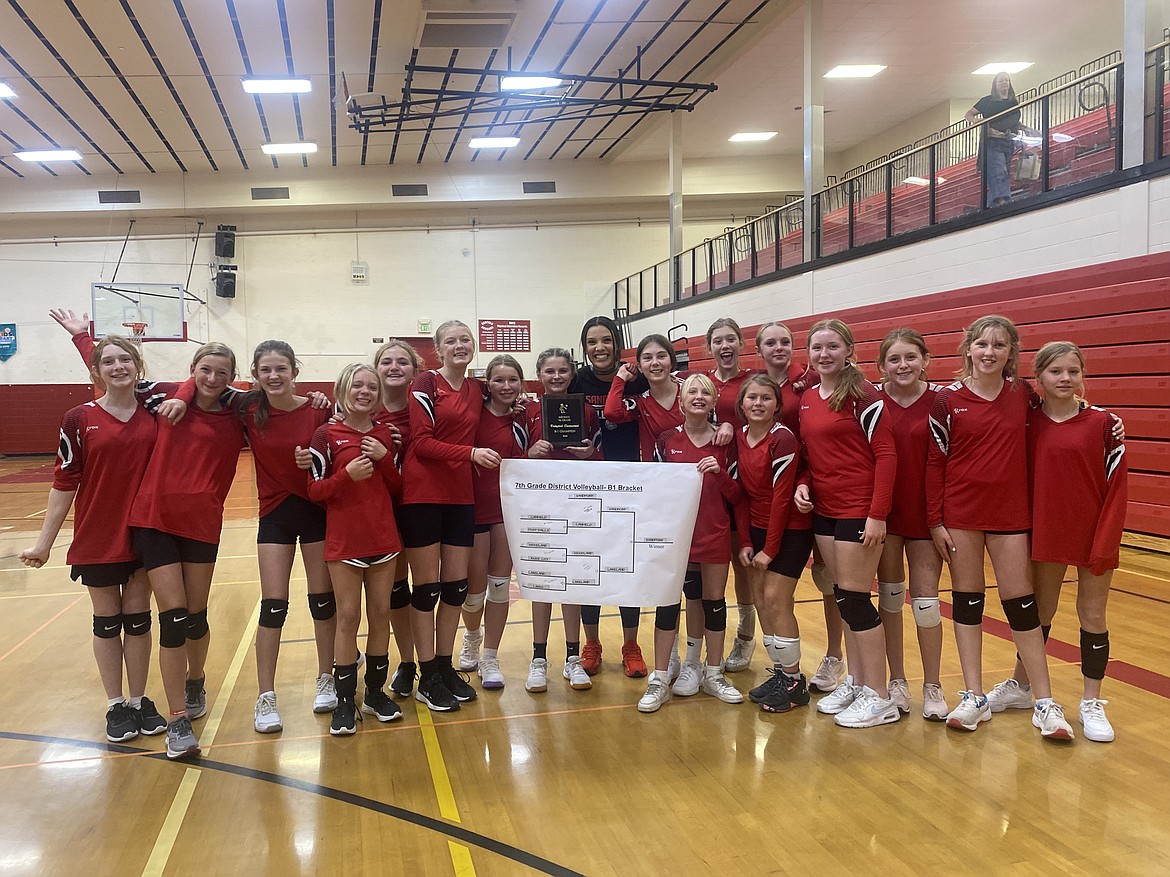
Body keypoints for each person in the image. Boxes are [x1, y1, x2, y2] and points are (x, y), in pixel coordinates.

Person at [55, 310, 246, 758]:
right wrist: (83, 337)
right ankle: (177, 719)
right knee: (173, 619)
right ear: (191, 371)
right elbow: (115, 370)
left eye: (222, 372)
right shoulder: (160, 401)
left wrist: (317, 404)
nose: (212, 378)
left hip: (202, 525)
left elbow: (282, 407)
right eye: (204, 370)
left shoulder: (240, 411)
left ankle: (194, 680)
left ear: (233, 378)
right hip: (154, 523)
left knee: (196, 617)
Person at [926, 315, 1074, 739]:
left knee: (1021, 604)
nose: (989, 351)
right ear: (968, 349)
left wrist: (1101, 417)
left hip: (1010, 516)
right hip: (960, 515)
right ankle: (973, 695)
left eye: (999, 345)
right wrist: (935, 520)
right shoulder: (946, 400)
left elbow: (1060, 417)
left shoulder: (1022, 395)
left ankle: (1043, 700)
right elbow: (935, 463)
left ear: (1011, 353)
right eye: (982, 344)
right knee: (968, 601)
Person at [20, 334, 167, 744]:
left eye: (126, 360)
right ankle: (115, 704)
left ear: (138, 366)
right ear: (95, 371)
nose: (118, 367)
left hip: (144, 533)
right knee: (107, 622)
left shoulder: (155, 412)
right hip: (97, 534)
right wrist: (44, 543)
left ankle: (139, 700)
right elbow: (64, 481)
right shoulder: (78, 418)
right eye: (109, 362)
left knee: (138, 620)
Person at [991, 341, 1127, 742]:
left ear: (1083, 375)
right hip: (1047, 532)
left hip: (1093, 534)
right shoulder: (1028, 422)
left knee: (1093, 615)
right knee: (1040, 614)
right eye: (1056, 372)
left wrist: (1106, 540)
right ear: (1040, 378)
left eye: (1073, 371)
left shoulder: (1104, 424)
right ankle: (1021, 685)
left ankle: (1091, 701)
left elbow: (1117, 488)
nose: (1065, 378)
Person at [795, 319, 900, 729]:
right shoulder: (807, 398)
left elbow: (887, 455)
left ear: (849, 350)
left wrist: (877, 513)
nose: (824, 354)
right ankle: (857, 682)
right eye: (817, 348)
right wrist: (804, 484)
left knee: (856, 600)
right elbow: (809, 454)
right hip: (825, 510)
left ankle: (879, 695)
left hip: (859, 509)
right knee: (843, 597)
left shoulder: (863, 396)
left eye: (833, 347)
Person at [401, 320, 497, 711]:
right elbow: (422, 443)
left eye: (465, 339)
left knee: (456, 587)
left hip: (461, 495)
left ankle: (444, 666)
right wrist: (470, 454)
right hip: (423, 494)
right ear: (437, 350)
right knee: (427, 589)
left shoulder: (476, 388)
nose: (460, 345)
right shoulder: (425, 384)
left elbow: (505, 400)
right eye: (451, 341)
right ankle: (426, 675)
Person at [240, 341, 335, 734]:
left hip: (315, 510)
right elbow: (195, 386)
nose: (274, 376)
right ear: (256, 374)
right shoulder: (246, 409)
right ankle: (266, 696)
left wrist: (315, 461)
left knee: (322, 602)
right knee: (273, 606)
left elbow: (337, 448)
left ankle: (326, 677)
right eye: (266, 370)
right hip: (274, 515)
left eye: (281, 368)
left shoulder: (318, 407)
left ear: (295, 370)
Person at [638, 374, 746, 712]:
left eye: (705, 392)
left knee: (712, 602)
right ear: (681, 402)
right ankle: (659, 678)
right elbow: (652, 490)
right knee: (669, 604)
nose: (698, 397)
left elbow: (738, 494)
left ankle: (709, 672)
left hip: (713, 532)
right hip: (677, 537)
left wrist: (721, 472)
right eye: (691, 392)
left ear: (714, 402)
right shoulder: (665, 441)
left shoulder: (727, 442)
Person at [308, 364, 404, 734]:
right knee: (348, 617)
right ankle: (345, 701)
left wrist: (384, 457)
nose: (364, 391)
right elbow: (315, 492)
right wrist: (345, 477)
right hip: (344, 540)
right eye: (357, 385)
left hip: (383, 538)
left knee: (380, 615)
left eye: (371, 386)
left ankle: (375, 694)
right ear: (342, 389)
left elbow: (396, 488)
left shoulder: (385, 434)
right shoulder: (325, 434)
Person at [756, 321, 842, 692]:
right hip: (777, 493)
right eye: (770, 342)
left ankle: (835, 656)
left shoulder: (812, 380)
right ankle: (778, 663)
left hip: (816, 490)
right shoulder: (757, 388)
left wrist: (805, 482)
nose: (779, 347)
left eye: (785, 341)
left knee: (829, 580)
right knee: (768, 590)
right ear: (759, 349)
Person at [874, 329, 948, 721]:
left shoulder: (942, 399)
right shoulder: (871, 401)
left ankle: (932, 684)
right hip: (885, 516)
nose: (902, 366)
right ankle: (896, 680)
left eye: (910, 358)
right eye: (894, 359)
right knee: (889, 599)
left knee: (925, 603)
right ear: (881, 365)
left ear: (925, 360)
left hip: (926, 517)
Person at [604, 333, 687, 680]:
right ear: (640, 365)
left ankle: (690, 654)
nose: (656, 363)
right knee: (646, 568)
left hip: (693, 489)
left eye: (661, 356)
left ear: (672, 360)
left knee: (688, 575)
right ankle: (637, 646)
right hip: (654, 493)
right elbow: (611, 411)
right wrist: (620, 379)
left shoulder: (689, 392)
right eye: (647, 358)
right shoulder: (640, 401)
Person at [569, 316, 647, 678]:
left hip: (632, 483)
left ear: (617, 343)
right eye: (591, 342)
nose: (599, 348)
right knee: (590, 566)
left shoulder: (639, 378)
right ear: (584, 346)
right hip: (589, 483)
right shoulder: (576, 381)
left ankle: (631, 644)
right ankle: (592, 643)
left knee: (627, 567)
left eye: (605, 340)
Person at [732, 375, 815, 715]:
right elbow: (740, 497)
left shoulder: (782, 439)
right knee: (760, 602)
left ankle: (795, 682)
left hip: (791, 529)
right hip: (756, 527)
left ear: (777, 407)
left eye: (766, 398)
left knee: (775, 600)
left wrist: (771, 548)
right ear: (742, 404)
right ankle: (781, 673)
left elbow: (782, 497)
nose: (758, 404)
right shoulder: (738, 437)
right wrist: (749, 542)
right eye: (752, 397)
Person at [524, 347, 602, 693]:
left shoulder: (585, 410)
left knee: (571, 580)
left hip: (575, 504)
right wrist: (529, 453)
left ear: (572, 374)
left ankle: (573, 658)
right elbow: (513, 459)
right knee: (542, 580)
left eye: (562, 371)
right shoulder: (525, 412)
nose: (556, 377)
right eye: (549, 371)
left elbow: (599, 456)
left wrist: (591, 452)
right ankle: (539, 658)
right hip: (539, 504)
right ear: (539, 374)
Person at [462, 355, 527, 690]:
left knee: (500, 587)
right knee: (473, 593)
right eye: (498, 380)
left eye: (512, 380)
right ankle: (471, 637)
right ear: (487, 383)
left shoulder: (525, 418)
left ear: (521, 382)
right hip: (472, 509)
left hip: (506, 512)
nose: (506, 386)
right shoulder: (471, 415)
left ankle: (490, 655)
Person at [700, 318, 760, 675]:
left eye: (730, 339)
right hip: (708, 481)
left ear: (741, 343)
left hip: (743, 481)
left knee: (743, 561)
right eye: (718, 340)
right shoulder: (701, 383)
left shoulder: (750, 382)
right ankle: (701, 643)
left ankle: (746, 635)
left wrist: (732, 425)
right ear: (709, 347)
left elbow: (764, 410)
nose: (725, 346)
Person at [371, 340, 421, 698]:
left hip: (422, 506)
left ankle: (438, 659)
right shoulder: (360, 410)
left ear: (414, 371)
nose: (393, 367)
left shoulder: (427, 408)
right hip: (380, 511)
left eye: (402, 362)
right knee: (395, 589)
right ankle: (407, 662)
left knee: (430, 589)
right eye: (386, 361)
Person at [966, 72, 1021, 207]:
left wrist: (1026, 130)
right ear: (995, 84)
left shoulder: (1013, 102)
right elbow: (969, 114)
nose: (1004, 83)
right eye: (1001, 81)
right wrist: (978, 121)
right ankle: (1001, 200)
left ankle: (996, 200)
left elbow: (1014, 122)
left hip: (1008, 141)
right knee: (998, 170)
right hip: (992, 141)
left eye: (1006, 80)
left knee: (1004, 170)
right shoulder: (987, 101)